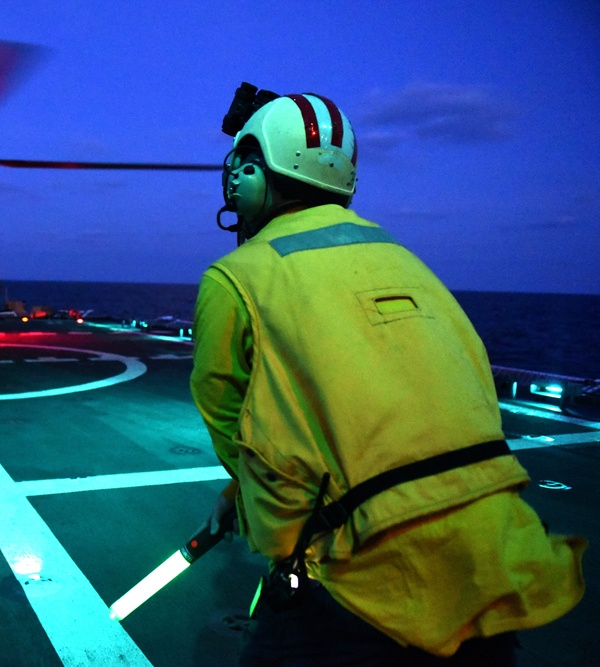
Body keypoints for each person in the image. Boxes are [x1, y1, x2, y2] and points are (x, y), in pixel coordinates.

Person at [190, 84, 586, 666]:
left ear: (252, 175)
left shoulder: (236, 277)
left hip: (364, 580)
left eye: (244, 166)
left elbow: (228, 413)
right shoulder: (406, 260)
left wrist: (252, 499)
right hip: (498, 562)